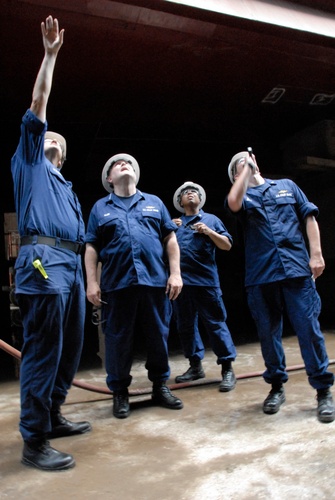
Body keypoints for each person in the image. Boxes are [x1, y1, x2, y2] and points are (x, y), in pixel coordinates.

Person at [11, 16, 91, 471]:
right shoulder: (30, 163)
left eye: (59, 137)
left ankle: (54, 414)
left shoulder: (66, 186)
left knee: (70, 348)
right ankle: (35, 440)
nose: (51, 136)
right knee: (44, 350)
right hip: (42, 263)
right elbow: (39, 102)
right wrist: (50, 55)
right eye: (48, 133)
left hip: (73, 267)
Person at [226, 149, 335, 422]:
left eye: (248, 159)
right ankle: (276, 387)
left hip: (296, 270)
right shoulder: (241, 195)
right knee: (268, 333)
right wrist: (243, 174)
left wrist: (317, 253)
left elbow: (309, 217)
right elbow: (233, 202)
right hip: (261, 276)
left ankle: (323, 392)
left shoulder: (286, 186)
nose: (246, 162)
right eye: (239, 164)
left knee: (308, 330)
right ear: (235, 175)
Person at [84, 153, 184, 419]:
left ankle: (160, 387)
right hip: (117, 286)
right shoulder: (100, 208)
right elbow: (91, 246)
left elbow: (170, 240)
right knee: (117, 341)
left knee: (158, 337)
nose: (123, 164)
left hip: (154, 283)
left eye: (128, 163)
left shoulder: (153, 203)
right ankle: (119, 392)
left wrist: (175, 274)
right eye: (116, 164)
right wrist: (91, 282)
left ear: (136, 175)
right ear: (109, 178)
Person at [171, 181, 237, 391]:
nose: (190, 193)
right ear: (180, 202)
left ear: (200, 199)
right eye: (185, 193)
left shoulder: (211, 220)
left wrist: (209, 231)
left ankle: (227, 368)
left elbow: (226, 245)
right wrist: (168, 228)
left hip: (206, 283)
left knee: (216, 324)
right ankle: (195, 366)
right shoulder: (175, 224)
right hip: (181, 285)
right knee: (186, 326)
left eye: (194, 192)